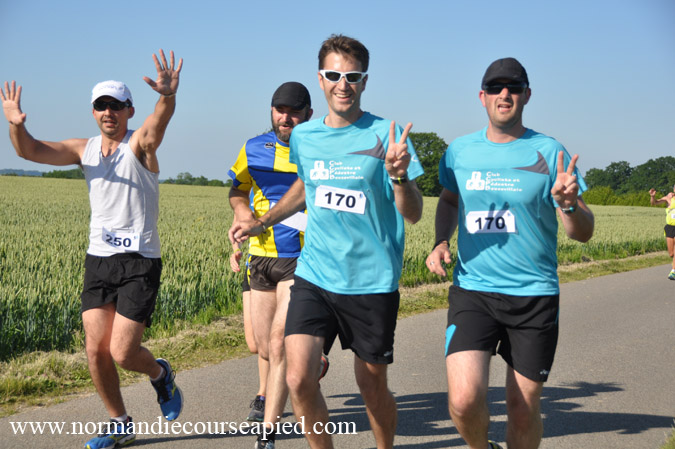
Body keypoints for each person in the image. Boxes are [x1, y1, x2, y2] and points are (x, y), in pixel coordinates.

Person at [233, 34, 424, 449]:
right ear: (320, 79)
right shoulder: (305, 136)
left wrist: (399, 177)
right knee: (299, 378)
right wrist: (261, 221)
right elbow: (306, 185)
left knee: (371, 388)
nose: (343, 84)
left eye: (352, 77)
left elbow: (412, 213)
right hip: (315, 274)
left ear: (364, 81)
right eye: (334, 75)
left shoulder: (388, 135)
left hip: (370, 281)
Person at [1, 50, 184, 449]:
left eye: (116, 105)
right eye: (101, 106)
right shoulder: (82, 149)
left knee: (122, 352)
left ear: (129, 110)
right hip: (99, 259)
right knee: (94, 349)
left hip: (140, 261)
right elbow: (28, 151)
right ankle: (120, 423)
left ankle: (160, 374)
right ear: (93, 111)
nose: (108, 112)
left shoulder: (139, 145)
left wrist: (167, 97)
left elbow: (157, 124)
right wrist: (15, 124)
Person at [426, 57, 594, 449]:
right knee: (463, 401)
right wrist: (441, 240)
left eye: (514, 87)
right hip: (474, 291)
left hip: (533, 297)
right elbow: (449, 200)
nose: (505, 94)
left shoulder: (549, 151)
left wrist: (569, 206)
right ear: (482, 96)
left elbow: (583, 233)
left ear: (527, 95)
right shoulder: (459, 151)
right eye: (496, 87)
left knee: (522, 409)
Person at [227, 81, 330, 448]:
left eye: (294, 112)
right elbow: (237, 188)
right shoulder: (253, 147)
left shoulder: (320, 149)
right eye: (280, 110)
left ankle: (267, 434)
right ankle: (311, 361)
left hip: (303, 257)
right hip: (261, 255)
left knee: (277, 340)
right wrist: (242, 214)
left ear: (309, 114)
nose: (286, 118)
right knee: (261, 346)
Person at [229, 240, 270, 421]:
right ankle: (310, 363)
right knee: (254, 344)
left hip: (287, 265)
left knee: (270, 339)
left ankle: (263, 396)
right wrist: (236, 250)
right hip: (255, 265)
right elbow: (238, 229)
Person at [649, 185, 675, 280]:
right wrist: (652, 196)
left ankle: (673, 271)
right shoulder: (669, 198)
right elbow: (654, 203)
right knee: (671, 253)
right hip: (670, 227)